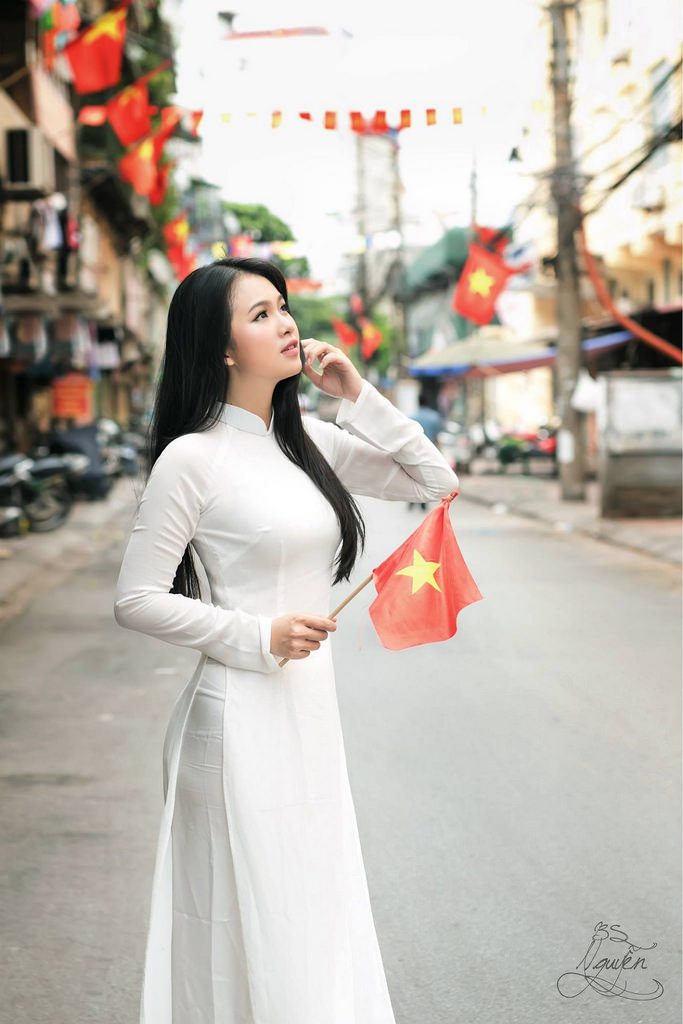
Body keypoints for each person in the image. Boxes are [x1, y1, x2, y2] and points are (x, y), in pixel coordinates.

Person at [113, 256, 459, 1024]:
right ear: (221, 346)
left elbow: (436, 483)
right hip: (235, 717)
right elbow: (135, 600)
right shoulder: (191, 458)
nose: (285, 324)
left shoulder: (311, 443)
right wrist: (255, 633)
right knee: (236, 918)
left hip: (309, 710)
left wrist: (358, 396)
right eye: (260, 313)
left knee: (310, 905)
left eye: (282, 306)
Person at [407, 386, 446, 512]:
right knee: (427, 477)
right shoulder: (435, 417)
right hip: (430, 452)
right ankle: (423, 502)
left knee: (414, 476)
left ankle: (412, 501)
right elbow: (437, 435)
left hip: (414, 452)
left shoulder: (412, 417)